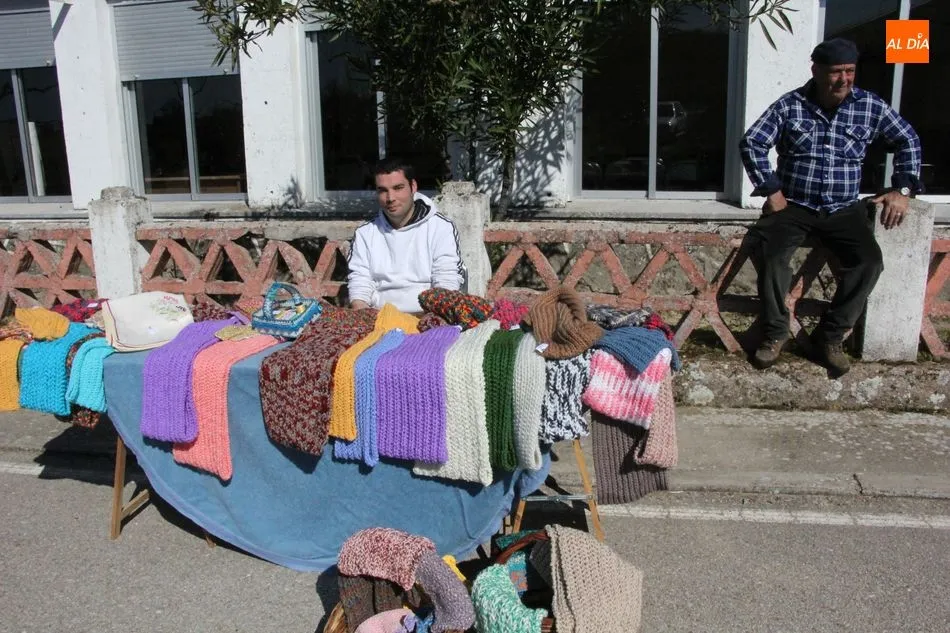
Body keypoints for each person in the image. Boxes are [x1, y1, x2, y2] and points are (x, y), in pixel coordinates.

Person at [739, 37, 922, 376]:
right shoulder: (790, 105)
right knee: (773, 258)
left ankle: (830, 337)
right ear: (816, 71)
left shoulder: (870, 106)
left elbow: (907, 138)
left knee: (869, 262)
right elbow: (753, 142)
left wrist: (902, 189)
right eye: (836, 71)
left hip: (843, 209)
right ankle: (775, 333)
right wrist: (772, 191)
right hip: (795, 206)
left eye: (849, 71)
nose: (843, 79)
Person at [347, 158, 464, 314]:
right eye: (383, 190)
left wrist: (431, 320)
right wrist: (363, 316)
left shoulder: (441, 227)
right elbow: (360, 283)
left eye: (398, 188)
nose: (390, 198)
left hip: (429, 315)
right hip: (379, 317)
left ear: (413, 186)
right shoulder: (365, 233)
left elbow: (446, 280)